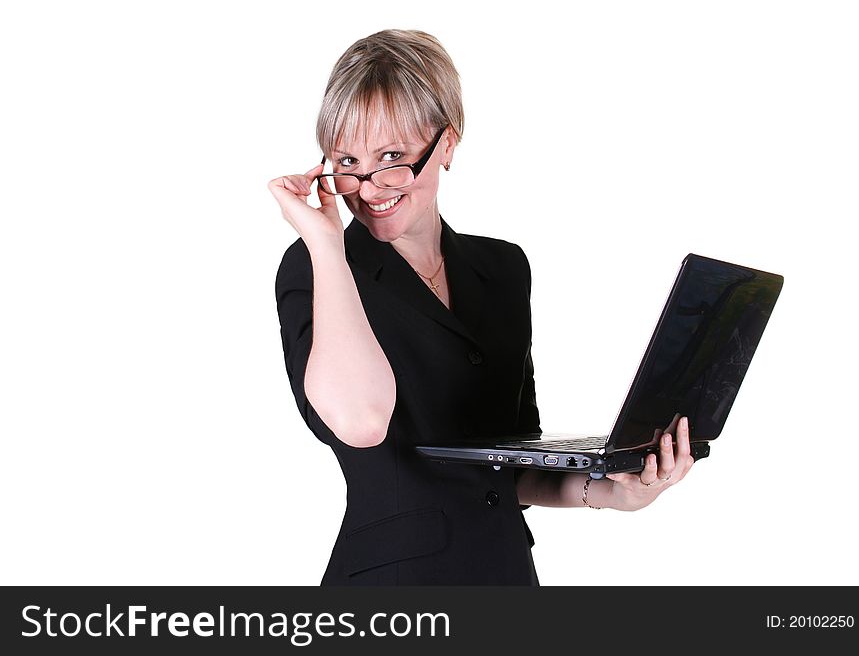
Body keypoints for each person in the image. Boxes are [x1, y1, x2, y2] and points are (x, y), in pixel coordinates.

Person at [268, 29, 695, 585]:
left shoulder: (503, 270)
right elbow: (361, 422)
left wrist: (614, 491)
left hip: (505, 576)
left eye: (393, 156)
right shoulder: (315, 269)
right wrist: (325, 243)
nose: (369, 186)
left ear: (448, 141)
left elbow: (512, 466)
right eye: (348, 160)